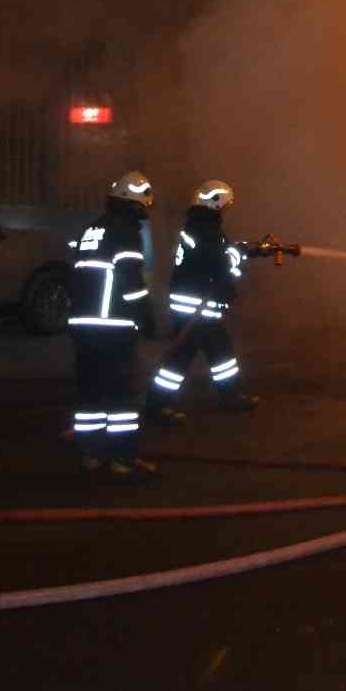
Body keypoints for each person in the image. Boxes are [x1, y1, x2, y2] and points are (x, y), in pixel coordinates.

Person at [145, 180, 260, 424]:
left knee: (221, 354)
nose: (225, 210)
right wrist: (237, 255)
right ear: (215, 202)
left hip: (200, 307)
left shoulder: (201, 227)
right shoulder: (203, 230)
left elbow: (219, 253)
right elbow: (218, 262)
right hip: (196, 308)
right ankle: (156, 406)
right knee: (178, 361)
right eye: (224, 205)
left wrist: (246, 249)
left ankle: (229, 395)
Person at [68, 171, 158, 479]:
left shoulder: (94, 228)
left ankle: (90, 455)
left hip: (83, 324)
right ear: (136, 203)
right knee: (121, 396)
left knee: (91, 392)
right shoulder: (125, 233)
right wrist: (146, 316)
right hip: (112, 325)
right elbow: (130, 281)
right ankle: (123, 459)